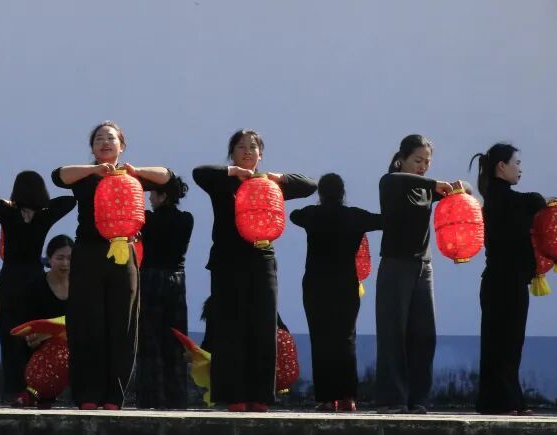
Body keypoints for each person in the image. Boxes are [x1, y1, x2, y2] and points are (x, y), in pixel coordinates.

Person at [52, 121, 174, 410]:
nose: (105, 143)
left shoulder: (131, 177)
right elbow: (58, 176)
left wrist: (136, 171)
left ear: (122, 145)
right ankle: (88, 394)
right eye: (99, 139)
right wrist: (94, 170)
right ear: (92, 147)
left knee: (122, 324)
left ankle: (113, 396)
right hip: (88, 253)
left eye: (111, 138)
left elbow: (168, 177)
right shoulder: (85, 176)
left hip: (123, 254)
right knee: (87, 323)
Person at [193, 129, 317, 413]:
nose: (247, 151)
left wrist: (279, 178)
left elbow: (310, 185)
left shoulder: (269, 185)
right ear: (232, 153)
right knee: (230, 326)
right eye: (240, 147)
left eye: (253, 147)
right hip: (227, 261)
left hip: (262, 260)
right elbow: (199, 173)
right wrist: (233, 172)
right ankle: (233, 395)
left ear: (261, 154)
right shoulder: (222, 182)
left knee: (263, 325)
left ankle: (261, 395)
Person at [0, 172, 75, 406]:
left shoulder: (8, 213)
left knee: (10, 335)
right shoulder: (45, 215)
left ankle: (17, 390)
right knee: (35, 334)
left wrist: (7, 203)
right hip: (35, 278)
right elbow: (70, 201)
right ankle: (38, 387)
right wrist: (45, 205)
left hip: (10, 278)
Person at [375, 134, 460, 414]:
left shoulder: (427, 189)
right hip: (395, 265)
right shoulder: (391, 183)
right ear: (402, 159)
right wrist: (433, 184)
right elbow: (398, 180)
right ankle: (392, 399)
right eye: (417, 160)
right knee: (393, 334)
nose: (422, 167)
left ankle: (418, 399)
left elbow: (465, 188)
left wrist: (458, 187)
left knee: (424, 335)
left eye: (427, 162)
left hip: (424, 267)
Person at [290, 173, 382, 412]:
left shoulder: (311, 214)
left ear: (320, 193)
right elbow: (383, 221)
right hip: (345, 285)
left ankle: (325, 398)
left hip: (316, 284)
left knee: (320, 338)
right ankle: (347, 396)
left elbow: (293, 215)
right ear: (343, 193)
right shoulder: (355, 216)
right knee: (346, 338)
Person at [471, 143, 547, 415]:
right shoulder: (499, 198)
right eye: (517, 163)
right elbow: (532, 201)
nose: (520, 168)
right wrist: (541, 201)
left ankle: (506, 400)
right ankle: (501, 402)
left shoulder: (503, 197)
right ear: (501, 167)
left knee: (509, 344)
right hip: (502, 283)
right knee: (502, 345)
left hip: (508, 282)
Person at [135, 175, 193, 410]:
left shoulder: (147, 220)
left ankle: (151, 397)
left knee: (149, 341)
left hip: (150, 279)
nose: (150, 198)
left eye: (153, 193)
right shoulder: (187, 219)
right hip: (176, 280)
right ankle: (176, 398)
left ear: (163, 195)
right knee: (175, 341)